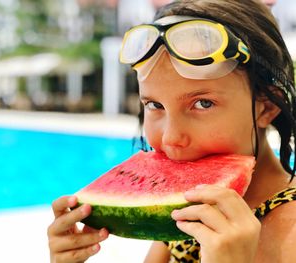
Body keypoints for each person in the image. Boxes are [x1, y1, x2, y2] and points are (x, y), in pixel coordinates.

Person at [47, 0, 296, 262]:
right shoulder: (191, 211)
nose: (170, 138)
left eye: (203, 103)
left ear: (266, 107)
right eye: (154, 105)